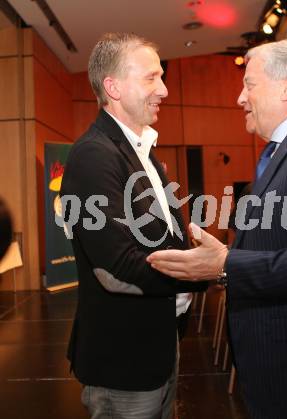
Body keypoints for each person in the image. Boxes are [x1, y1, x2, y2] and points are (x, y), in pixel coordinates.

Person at [148, 39, 287, 419]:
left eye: (249, 85)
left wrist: (226, 264)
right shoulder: (286, 150)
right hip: (283, 367)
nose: (240, 98)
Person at [61, 32, 204, 419]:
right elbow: (115, 267)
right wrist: (201, 271)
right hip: (123, 360)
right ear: (113, 87)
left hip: (159, 343)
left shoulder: (142, 151)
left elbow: (164, 240)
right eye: (151, 78)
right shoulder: (94, 156)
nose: (164, 89)